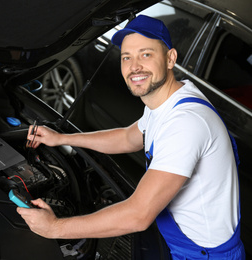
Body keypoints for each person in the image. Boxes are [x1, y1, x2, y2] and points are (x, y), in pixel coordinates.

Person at [18, 15, 245, 259]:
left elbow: (138, 215)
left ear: (170, 59)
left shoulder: (186, 123)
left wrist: (54, 228)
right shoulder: (168, 100)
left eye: (146, 54)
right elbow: (128, 137)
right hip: (183, 242)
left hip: (206, 255)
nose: (134, 66)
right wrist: (62, 139)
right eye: (127, 57)